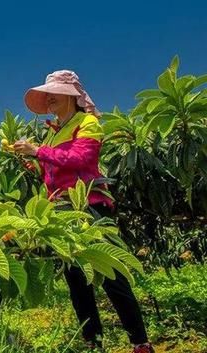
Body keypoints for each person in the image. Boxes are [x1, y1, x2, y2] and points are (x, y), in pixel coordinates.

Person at [13, 70, 154, 353]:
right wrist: (31, 162)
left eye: (54, 92)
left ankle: (140, 343)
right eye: (47, 93)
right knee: (77, 281)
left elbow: (81, 158)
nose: (49, 98)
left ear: (72, 96)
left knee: (112, 274)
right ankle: (93, 343)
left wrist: (38, 151)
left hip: (89, 206)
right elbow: (52, 170)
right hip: (62, 211)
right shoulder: (53, 133)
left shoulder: (87, 123)